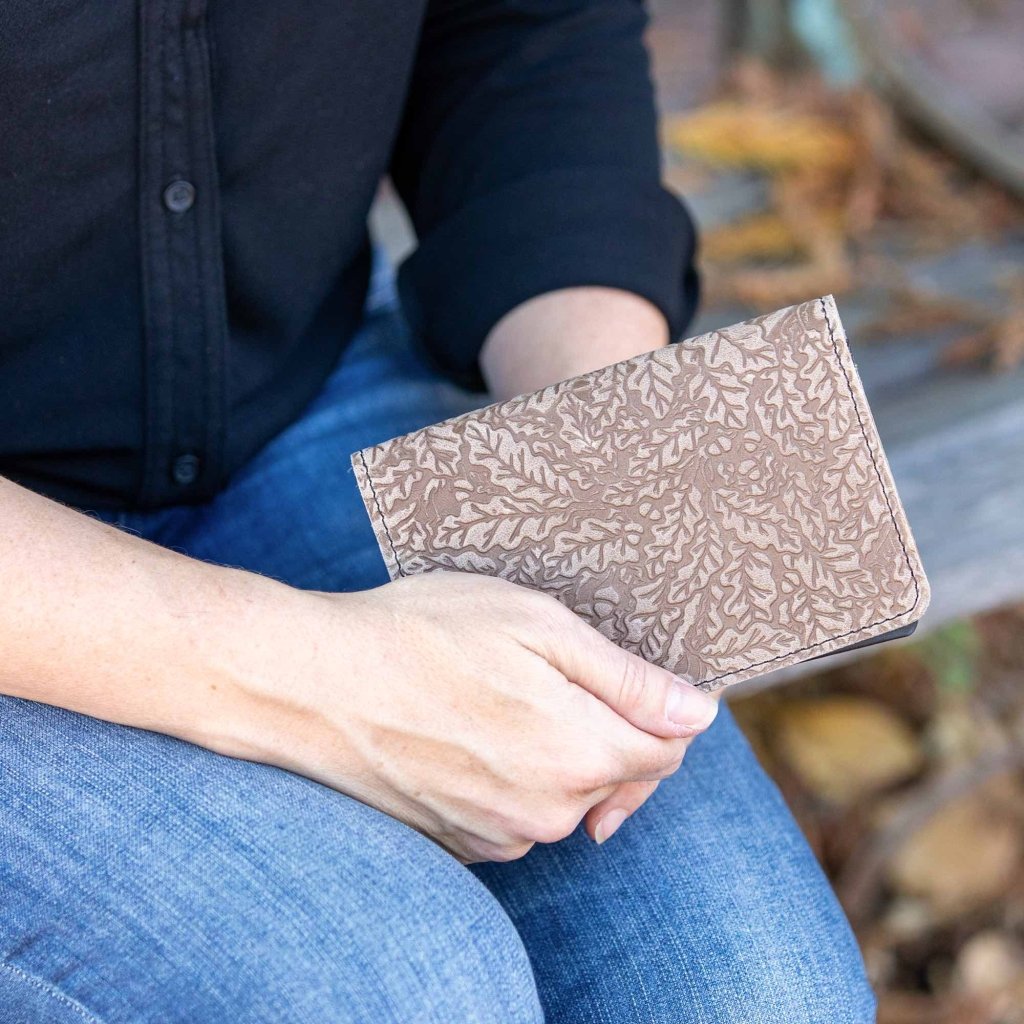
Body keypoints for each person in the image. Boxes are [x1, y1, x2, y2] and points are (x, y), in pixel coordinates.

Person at [0, 1, 876, 1020]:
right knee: (407, 991)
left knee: (756, 993)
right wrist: (320, 677)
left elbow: (522, 29)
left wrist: (604, 476)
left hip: (283, 388)